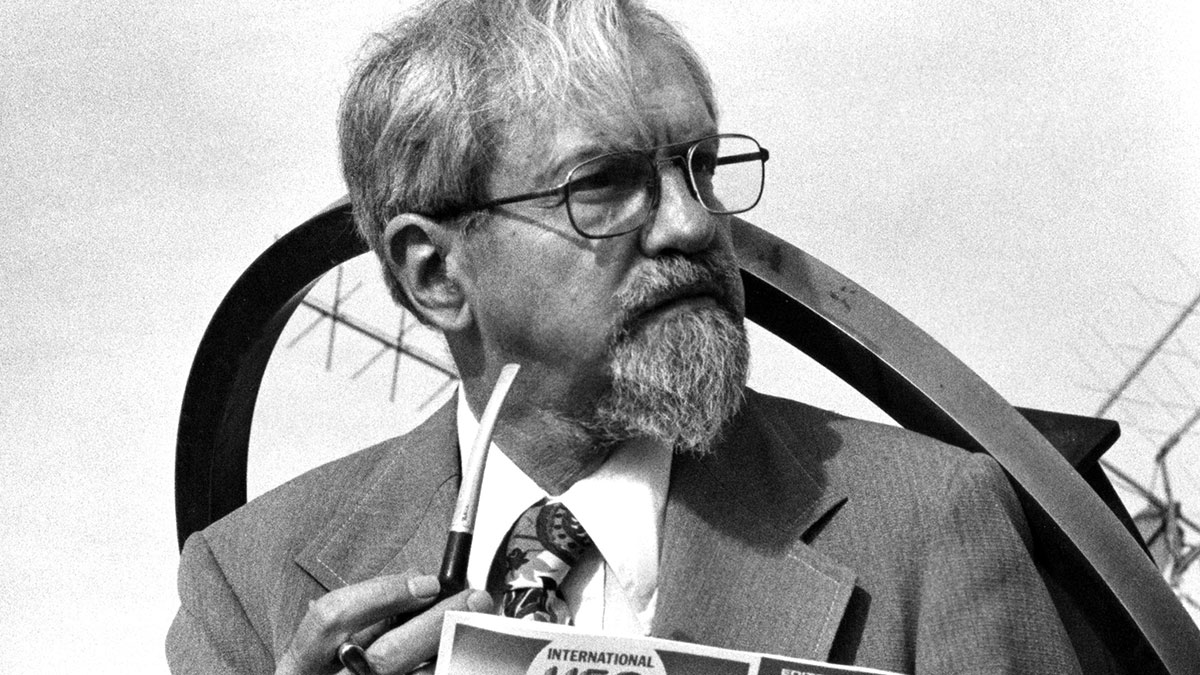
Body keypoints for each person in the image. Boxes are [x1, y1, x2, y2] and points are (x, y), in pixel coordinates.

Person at [167, 1, 1083, 673]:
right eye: (601, 184)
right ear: (435, 272)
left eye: (701, 167)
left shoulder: (929, 524)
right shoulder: (244, 586)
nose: (692, 223)